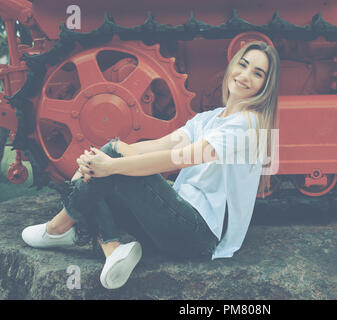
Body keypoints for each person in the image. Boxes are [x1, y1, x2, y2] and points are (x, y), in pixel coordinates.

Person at [21, 41, 280, 290]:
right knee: (109, 155)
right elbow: (165, 144)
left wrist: (112, 164)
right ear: (232, 65)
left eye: (257, 73)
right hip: (177, 222)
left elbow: (184, 157)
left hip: (199, 234)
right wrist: (103, 156)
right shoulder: (209, 118)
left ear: (265, 86)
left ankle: (61, 226)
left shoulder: (249, 123)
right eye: (243, 64)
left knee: (110, 161)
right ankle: (111, 246)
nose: (245, 75)